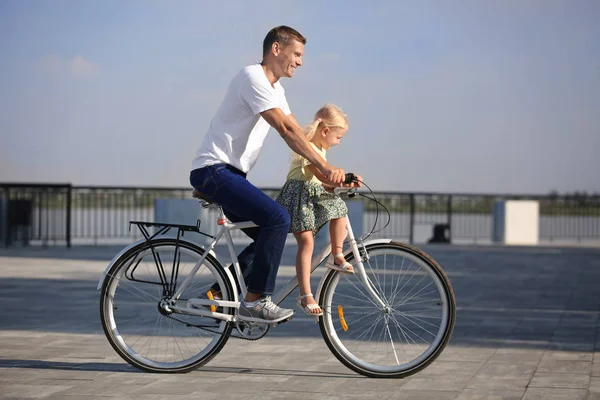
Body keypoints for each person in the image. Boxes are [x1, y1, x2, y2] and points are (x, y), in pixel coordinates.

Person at [189, 26, 346, 323]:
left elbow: (299, 132)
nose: (300, 62)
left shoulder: (277, 90)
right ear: (277, 49)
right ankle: (256, 299)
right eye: (297, 54)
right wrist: (324, 168)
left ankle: (217, 295)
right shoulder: (252, 77)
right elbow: (285, 130)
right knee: (278, 217)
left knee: (266, 235)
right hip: (214, 170)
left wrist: (327, 168)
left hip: (230, 175)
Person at [276, 105, 362, 316]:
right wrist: (336, 178)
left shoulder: (320, 149)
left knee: (339, 208)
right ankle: (306, 295)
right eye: (338, 137)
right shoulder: (310, 148)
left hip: (312, 194)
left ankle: (336, 254)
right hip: (298, 197)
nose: (338, 142)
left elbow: (322, 183)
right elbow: (321, 175)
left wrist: (345, 184)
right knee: (306, 242)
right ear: (325, 131)